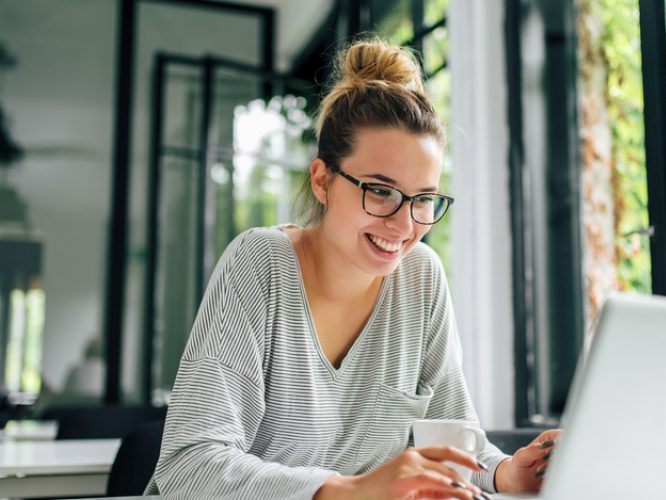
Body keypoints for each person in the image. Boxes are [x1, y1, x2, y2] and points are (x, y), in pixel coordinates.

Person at [146, 38, 559, 499]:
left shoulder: (420, 277)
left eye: (423, 199)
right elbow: (190, 465)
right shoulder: (260, 264)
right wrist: (350, 490)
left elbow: (453, 443)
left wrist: (507, 474)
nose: (404, 224)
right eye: (380, 191)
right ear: (323, 180)